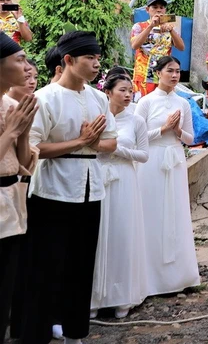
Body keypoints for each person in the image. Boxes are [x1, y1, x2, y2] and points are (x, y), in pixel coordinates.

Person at [23, 31, 117, 344]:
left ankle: (76, 331)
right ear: (68, 60)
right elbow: (34, 147)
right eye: (89, 58)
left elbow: (112, 141)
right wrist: (81, 141)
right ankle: (39, 330)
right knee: (47, 265)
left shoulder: (99, 97)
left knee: (82, 263)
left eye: (97, 58)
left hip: (91, 189)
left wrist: (94, 144)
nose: (95, 64)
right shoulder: (45, 98)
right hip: (52, 190)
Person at [134, 56, 201, 297]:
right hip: (151, 161)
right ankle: (149, 278)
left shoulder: (183, 103)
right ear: (158, 73)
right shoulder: (145, 102)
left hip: (174, 159)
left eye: (177, 71)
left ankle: (179, 275)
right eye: (169, 71)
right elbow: (136, 137)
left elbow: (191, 139)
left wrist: (177, 130)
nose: (174, 75)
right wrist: (163, 129)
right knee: (151, 213)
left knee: (175, 212)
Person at [91, 73, 149, 318]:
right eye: (122, 90)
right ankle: (94, 296)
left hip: (125, 180)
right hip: (98, 177)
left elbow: (144, 155)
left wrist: (119, 150)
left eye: (130, 90)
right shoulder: (96, 118)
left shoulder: (136, 122)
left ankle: (122, 295)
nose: (128, 95)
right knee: (97, 233)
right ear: (108, 92)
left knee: (122, 233)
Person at [0, 33, 38, 344]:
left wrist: (22, 134)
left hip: (13, 201)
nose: (26, 68)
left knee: (5, 290)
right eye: (20, 60)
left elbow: (23, 162)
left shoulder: (11, 104)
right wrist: (10, 131)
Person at [130, 0, 185, 97]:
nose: (158, 10)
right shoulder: (139, 26)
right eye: (155, 7)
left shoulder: (171, 26)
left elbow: (181, 47)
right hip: (144, 75)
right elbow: (134, 45)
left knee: (163, 106)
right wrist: (151, 26)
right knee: (143, 106)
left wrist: (171, 30)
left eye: (161, 7)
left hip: (165, 75)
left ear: (165, 10)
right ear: (147, 10)